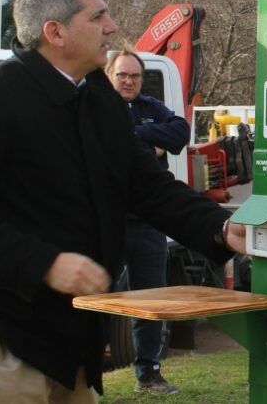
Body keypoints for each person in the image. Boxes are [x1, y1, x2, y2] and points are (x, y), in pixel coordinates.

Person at [0, 0, 246, 403]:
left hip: (76, 328)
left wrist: (219, 228)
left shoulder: (99, 99)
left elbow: (145, 185)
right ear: (54, 32)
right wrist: (46, 264)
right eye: (98, 17)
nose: (111, 27)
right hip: (3, 328)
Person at [106, 50, 191, 395]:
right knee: (94, 299)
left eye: (135, 76)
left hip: (149, 224)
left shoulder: (150, 108)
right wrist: (152, 142)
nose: (128, 81)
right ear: (109, 75)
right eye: (122, 75)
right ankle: (82, 374)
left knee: (151, 301)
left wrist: (142, 134)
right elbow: (114, 150)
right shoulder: (96, 107)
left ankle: (149, 374)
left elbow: (180, 133)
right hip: (108, 224)